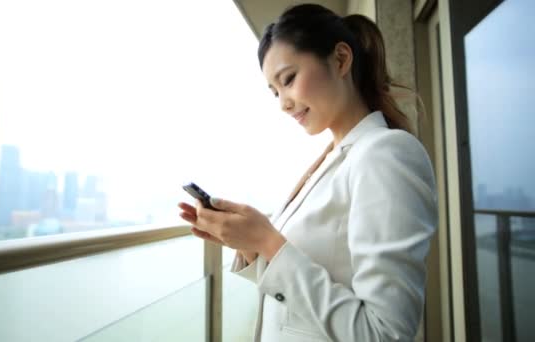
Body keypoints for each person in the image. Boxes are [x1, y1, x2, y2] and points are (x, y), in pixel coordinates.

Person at [178, 3, 437, 341]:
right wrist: (249, 246)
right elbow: (310, 280)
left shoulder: (385, 154)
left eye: (288, 79)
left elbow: (384, 333)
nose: (283, 103)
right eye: (275, 91)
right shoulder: (331, 161)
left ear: (341, 60)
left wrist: (268, 242)